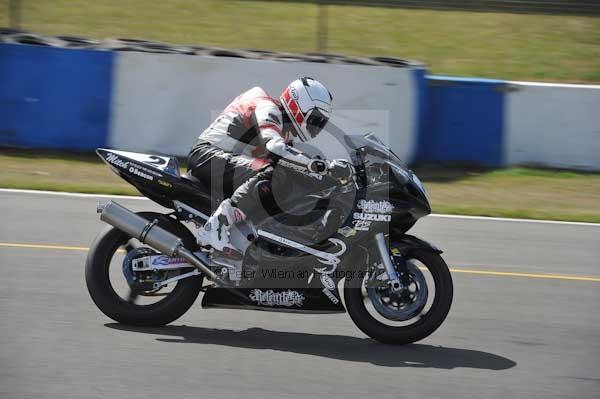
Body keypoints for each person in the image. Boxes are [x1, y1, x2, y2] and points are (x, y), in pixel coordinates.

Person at [187, 77, 352, 257]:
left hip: (222, 159)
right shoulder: (268, 108)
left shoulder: (282, 127)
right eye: (315, 118)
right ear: (298, 105)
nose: (316, 126)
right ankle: (216, 226)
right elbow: (273, 147)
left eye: (321, 122)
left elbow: (292, 162)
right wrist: (321, 166)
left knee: (288, 176)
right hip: (208, 156)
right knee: (275, 175)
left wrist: (331, 177)